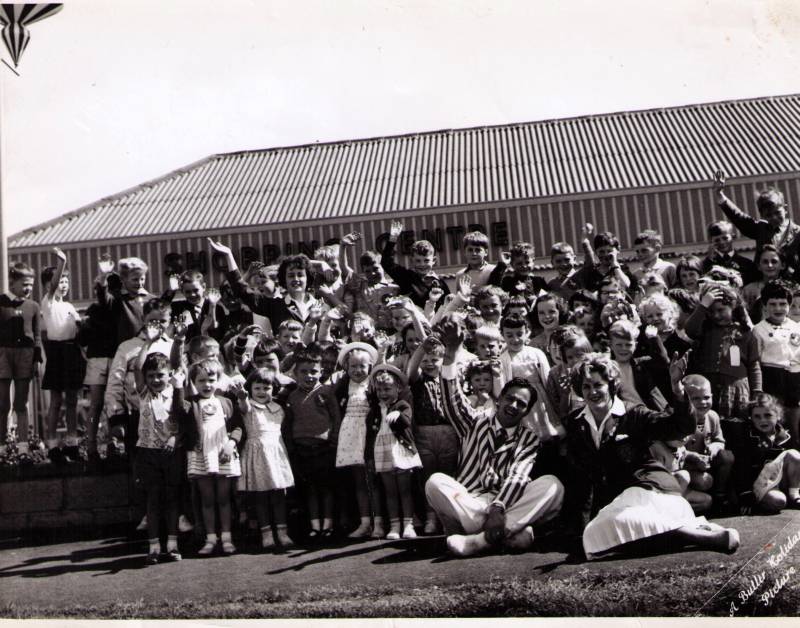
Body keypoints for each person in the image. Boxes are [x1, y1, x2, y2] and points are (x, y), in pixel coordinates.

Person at [565, 353, 740, 559]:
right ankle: (695, 533)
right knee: (595, 536)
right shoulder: (575, 422)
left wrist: (678, 391)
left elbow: (679, 427)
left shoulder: (634, 414)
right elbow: (582, 478)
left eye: (598, 385)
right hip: (619, 500)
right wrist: (581, 527)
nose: (593, 391)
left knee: (617, 525)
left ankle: (699, 537)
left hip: (651, 489)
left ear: (611, 385)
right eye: (586, 386)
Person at [432, 369, 564, 557]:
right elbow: (453, 403)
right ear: (499, 399)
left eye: (521, 404)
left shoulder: (529, 438)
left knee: (552, 485)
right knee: (435, 482)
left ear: (526, 411)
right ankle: (509, 532)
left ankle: (480, 540)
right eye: (510, 398)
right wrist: (451, 356)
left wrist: (498, 507)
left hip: (507, 504)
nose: (513, 405)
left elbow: (518, 475)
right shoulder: (475, 421)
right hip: (472, 503)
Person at [180, 358, 242, 556]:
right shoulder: (191, 404)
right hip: (201, 454)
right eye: (201, 381)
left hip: (223, 453)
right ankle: (210, 538)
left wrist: (231, 444)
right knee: (206, 499)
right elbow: (178, 409)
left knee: (224, 498)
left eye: (211, 379)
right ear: (193, 383)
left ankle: (226, 538)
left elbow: (238, 427)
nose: (207, 384)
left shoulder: (226, 402)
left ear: (218, 380)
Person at [282, 346, 341, 541]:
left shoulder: (326, 391)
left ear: (321, 372)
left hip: (324, 448)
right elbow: (289, 424)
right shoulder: (292, 396)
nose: (309, 376)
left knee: (327, 488)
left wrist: (333, 441)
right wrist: (291, 447)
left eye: (314, 372)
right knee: (311, 489)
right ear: (295, 373)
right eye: (304, 372)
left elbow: (336, 418)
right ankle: (315, 525)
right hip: (302, 450)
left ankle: (328, 524)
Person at [132, 351, 183, 565]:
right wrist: (147, 342)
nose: (155, 380)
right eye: (151, 375)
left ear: (169, 374)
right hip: (147, 453)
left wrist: (174, 439)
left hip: (170, 453)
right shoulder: (144, 393)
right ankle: (154, 546)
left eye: (160, 375)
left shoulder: (176, 392)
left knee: (172, 498)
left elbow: (184, 420)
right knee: (152, 499)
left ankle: (172, 545)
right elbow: (136, 367)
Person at [235, 368, 294, 551]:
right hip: (257, 454)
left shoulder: (279, 408)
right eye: (257, 388)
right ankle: (266, 534)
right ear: (250, 389)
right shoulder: (249, 406)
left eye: (266, 388)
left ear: (273, 389)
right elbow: (243, 407)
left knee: (278, 495)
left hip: (276, 454)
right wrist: (243, 397)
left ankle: (282, 533)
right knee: (260, 497)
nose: (262, 392)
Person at [683, 282, 761, 421]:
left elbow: (754, 364)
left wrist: (756, 391)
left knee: (735, 428)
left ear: (733, 305)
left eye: (721, 310)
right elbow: (690, 330)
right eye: (711, 311)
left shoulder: (745, 332)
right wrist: (702, 306)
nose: (716, 315)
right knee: (709, 423)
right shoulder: (705, 329)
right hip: (709, 389)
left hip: (736, 390)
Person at [40, 248, 85, 462]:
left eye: (66, 282)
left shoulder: (69, 306)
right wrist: (62, 262)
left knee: (72, 401)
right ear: (48, 286)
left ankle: (72, 443)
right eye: (60, 281)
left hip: (72, 352)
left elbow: (80, 326)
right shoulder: (47, 303)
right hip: (57, 353)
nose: (63, 285)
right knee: (56, 401)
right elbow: (55, 282)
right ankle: (52, 445)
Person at [368, 364, 421, 540]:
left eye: (388, 389)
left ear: (397, 388)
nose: (383, 393)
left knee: (404, 490)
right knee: (390, 492)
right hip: (382, 452)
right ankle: (394, 525)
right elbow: (371, 432)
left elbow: (407, 421)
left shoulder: (402, 405)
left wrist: (398, 414)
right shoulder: (375, 409)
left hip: (400, 450)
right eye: (380, 390)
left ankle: (408, 525)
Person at [714, 170, 800, 278]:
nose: (774, 217)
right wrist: (719, 194)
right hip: (762, 284)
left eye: (777, 212)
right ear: (762, 215)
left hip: (792, 285)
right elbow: (739, 217)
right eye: (768, 215)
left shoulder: (798, 233)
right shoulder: (760, 229)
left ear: (785, 208)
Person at [332, 342, 380, 539]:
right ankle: (365, 522)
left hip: (369, 433)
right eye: (353, 366)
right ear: (346, 367)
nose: (358, 370)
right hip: (350, 435)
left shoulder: (373, 384)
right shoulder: (344, 386)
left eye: (362, 366)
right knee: (359, 481)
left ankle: (378, 523)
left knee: (374, 480)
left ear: (369, 366)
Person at [0, 262, 42, 460]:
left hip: (25, 354)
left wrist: (37, 358)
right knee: (2, 403)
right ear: (12, 282)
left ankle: (23, 447)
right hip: (3, 354)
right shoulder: (1, 302)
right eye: (25, 284)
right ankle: (1, 448)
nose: (28, 288)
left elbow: (37, 335)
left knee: (21, 403)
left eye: (31, 285)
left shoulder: (33, 306)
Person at [732, 393, 800, 514]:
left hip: (781, 479)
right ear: (751, 418)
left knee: (794, 454)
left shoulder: (786, 436)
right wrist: (746, 494)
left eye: (768, 415)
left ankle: (794, 495)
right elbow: (742, 467)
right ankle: (765, 501)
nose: (762, 420)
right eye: (757, 416)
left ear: (778, 416)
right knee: (778, 501)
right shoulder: (749, 438)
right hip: (760, 484)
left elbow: (794, 466)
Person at [751, 280, 800, 445]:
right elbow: (756, 359)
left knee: (794, 416)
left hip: (794, 376)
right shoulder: (759, 330)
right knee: (776, 415)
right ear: (765, 306)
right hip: (772, 376)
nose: (778, 308)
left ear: (789, 304)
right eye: (773, 304)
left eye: (782, 304)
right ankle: (776, 449)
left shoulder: (796, 327)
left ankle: (795, 446)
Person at [678, 374, 735, 513]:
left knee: (727, 457)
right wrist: (693, 457)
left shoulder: (713, 416)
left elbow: (719, 441)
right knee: (705, 481)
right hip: (685, 467)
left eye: (706, 397)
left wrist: (714, 447)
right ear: (685, 400)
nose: (703, 402)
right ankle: (686, 497)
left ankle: (719, 496)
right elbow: (675, 450)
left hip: (705, 464)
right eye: (695, 399)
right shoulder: (680, 420)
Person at [380, 219, 450, 308]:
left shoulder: (440, 283)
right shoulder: (406, 277)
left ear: (434, 261)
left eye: (426, 260)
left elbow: (447, 306)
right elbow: (386, 262)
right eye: (418, 260)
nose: (422, 264)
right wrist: (392, 239)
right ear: (411, 260)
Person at [701, 220, 758, 286]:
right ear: (711, 242)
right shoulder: (707, 264)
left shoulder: (747, 264)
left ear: (732, 237)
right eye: (717, 240)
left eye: (725, 238)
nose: (722, 242)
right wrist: (709, 260)